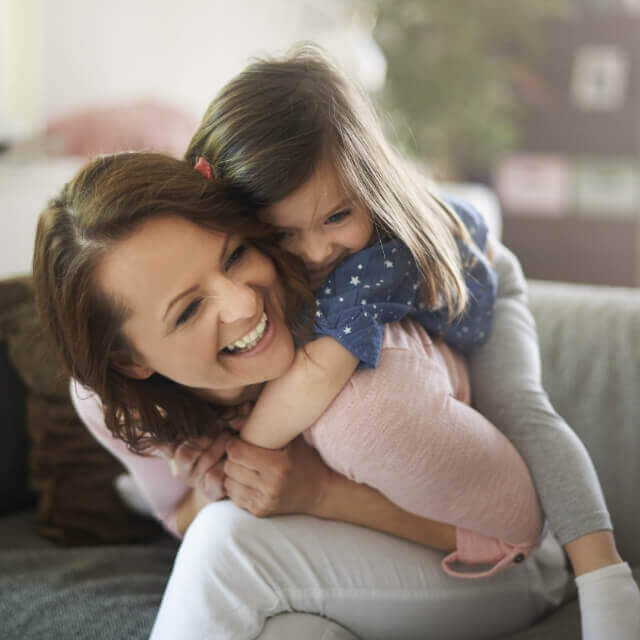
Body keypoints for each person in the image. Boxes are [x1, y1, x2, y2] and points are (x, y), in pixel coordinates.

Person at [183, 45, 640, 639]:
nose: (317, 250)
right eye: (283, 233)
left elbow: (318, 374)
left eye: (336, 217)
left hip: (487, 286)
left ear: (367, 185)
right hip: (442, 254)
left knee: (519, 408)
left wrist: (242, 455)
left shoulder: (369, 261)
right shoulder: (286, 259)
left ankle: (603, 572)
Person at [34, 151, 569, 640]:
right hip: (336, 577)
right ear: (131, 361)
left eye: (235, 254)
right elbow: (178, 516)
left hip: (507, 570)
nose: (243, 303)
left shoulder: (362, 390)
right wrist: (213, 486)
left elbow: (521, 531)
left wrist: (319, 493)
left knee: (226, 546)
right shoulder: (117, 403)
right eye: (189, 310)